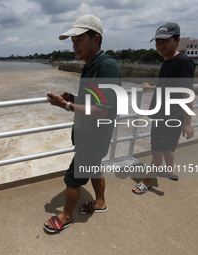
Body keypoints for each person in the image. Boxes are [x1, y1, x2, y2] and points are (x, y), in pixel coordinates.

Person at [43, 14, 122, 233]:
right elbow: (93, 102)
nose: (74, 44)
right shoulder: (90, 66)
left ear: (96, 40)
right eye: (72, 40)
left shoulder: (107, 68)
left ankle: (66, 216)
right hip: (90, 135)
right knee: (95, 168)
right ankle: (100, 203)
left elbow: (101, 110)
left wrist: (65, 106)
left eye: (79, 39)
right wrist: (73, 99)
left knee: (72, 178)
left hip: (95, 137)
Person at [132, 22, 195, 195]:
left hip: (169, 116)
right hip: (163, 114)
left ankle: (147, 182)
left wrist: (188, 123)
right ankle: (170, 171)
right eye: (158, 42)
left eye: (165, 41)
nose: (160, 46)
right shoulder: (168, 61)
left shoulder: (183, 63)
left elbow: (187, 93)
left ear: (177, 40)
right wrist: (152, 87)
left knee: (156, 151)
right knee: (167, 147)